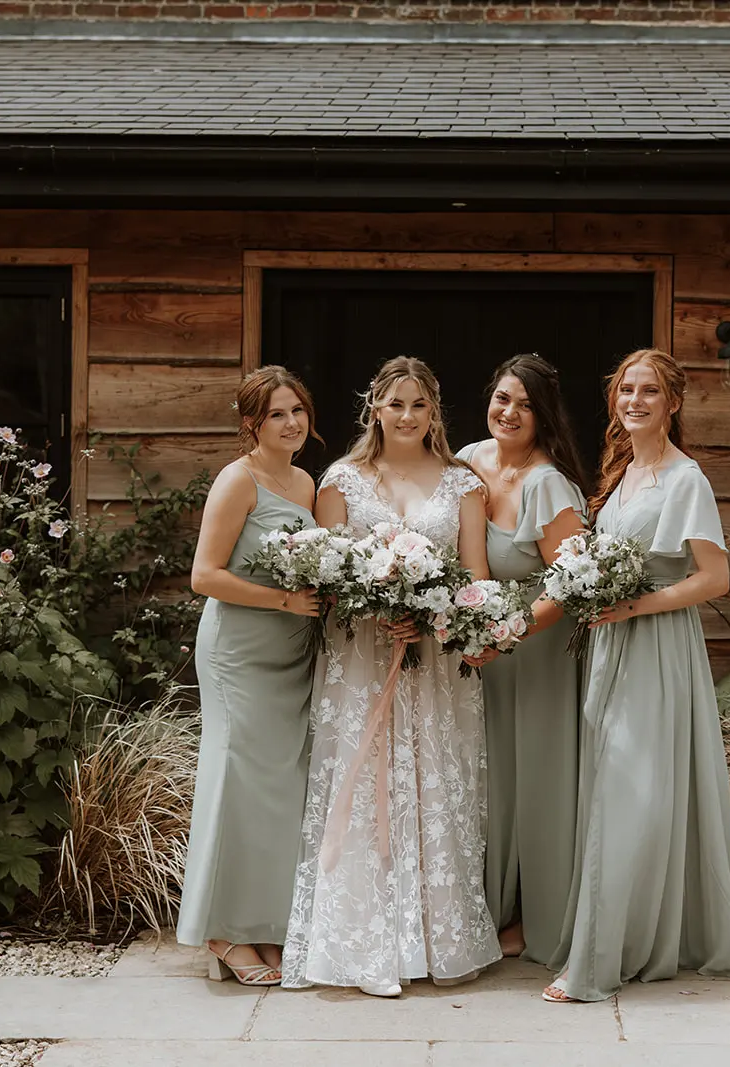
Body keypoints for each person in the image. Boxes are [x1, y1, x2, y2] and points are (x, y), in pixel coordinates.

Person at [544, 348, 730, 1004]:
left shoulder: (684, 478)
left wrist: (637, 603)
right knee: (615, 789)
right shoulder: (622, 472)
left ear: (673, 403)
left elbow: (713, 577)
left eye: (649, 391)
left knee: (626, 791)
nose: (634, 400)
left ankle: (595, 964)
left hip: (657, 645)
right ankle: (631, 936)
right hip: (612, 643)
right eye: (626, 390)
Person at [280, 356, 502, 998]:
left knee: (435, 780)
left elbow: (476, 579)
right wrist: (375, 607)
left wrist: (432, 619)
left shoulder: (462, 484)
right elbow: (324, 577)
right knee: (365, 780)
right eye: (395, 404)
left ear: (435, 412)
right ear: (373, 408)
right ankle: (361, 940)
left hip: (435, 665)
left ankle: (436, 939)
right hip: (360, 660)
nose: (407, 417)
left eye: (420, 406)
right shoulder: (342, 481)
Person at [176, 366, 323, 986]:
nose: (291, 424)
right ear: (251, 425)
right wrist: (284, 602)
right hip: (239, 652)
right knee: (235, 779)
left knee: (281, 790)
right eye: (276, 415)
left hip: (292, 652)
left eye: (297, 411)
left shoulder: (306, 480)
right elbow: (204, 575)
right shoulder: (237, 481)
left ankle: (266, 925)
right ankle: (220, 931)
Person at [456, 354, 588, 965]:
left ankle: (540, 920)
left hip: (536, 651)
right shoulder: (467, 462)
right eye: (502, 398)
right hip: (479, 650)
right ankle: (487, 909)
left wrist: (504, 635)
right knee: (488, 781)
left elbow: (569, 585)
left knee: (535, 781)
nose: (509, 412)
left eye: (525, 405)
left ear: (544, 416)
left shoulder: (548, 484)